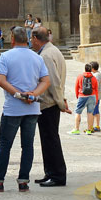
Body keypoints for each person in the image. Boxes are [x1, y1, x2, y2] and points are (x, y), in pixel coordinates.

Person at [0, 27, 50, 192]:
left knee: (5, 145)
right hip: (32, 108)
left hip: (13, 109)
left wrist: (18, 95)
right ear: (27, 39)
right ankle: (23, 181)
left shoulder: (5, 56)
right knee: (27, 145)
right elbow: (46, 81)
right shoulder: (37, 57)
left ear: (12, 38)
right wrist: (32, 94)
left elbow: (1, 80)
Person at [31, 27, 68, 186]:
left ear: (36, 39)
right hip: (50, 103)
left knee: (51, 140)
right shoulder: (53, 50)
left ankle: (58, 175)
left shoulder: (46, 55)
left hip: (49, 104)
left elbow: (53, 82)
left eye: (32, 39)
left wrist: (61, 103)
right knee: (47, 140)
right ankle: (50, 172)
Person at [71, 63, 99, 135]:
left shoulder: (80, 76)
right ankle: (89, 130)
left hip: (82, 95)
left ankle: (76, 129)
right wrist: (96, 98)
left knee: (78, 112)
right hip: (92, 96)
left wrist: (78, 96)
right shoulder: (94, 78)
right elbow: (96, 89)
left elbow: (76, 87)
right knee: (90, 113)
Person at [89, 61, 101, 133]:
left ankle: (92, 127)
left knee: (93, 112)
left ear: (93, 68)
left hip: (95, 96)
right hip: (95, 96)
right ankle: (97, 126)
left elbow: (95, 85)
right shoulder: (95, 74)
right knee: (96, 111)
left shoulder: (97, 75)